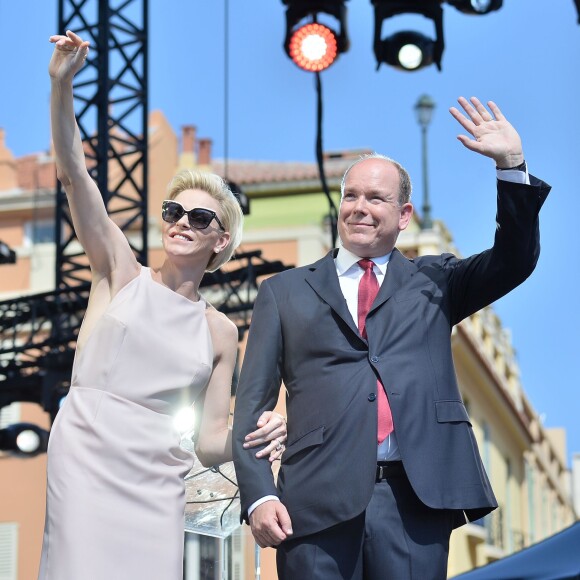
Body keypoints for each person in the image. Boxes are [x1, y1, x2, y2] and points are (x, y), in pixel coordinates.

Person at [232, 96, 551, 579]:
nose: (360, 208)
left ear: (403, 216)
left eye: (375, 198)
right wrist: (260, 493)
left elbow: (514, 259)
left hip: (413, 503)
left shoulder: (435, 281)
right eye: (351, 196)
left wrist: (510, 165)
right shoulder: (283, 293)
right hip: (313, 503)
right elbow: (251, 408)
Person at [39, 31, 287, 580]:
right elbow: (74, 174)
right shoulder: (119, 270)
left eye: (200, 218)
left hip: (157, 478)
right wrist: (62, 87)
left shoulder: (220, 330)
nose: (182, 222)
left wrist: (267, 431)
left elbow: (210, 440)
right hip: (86, 451)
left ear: (221, 241)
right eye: (175, 210)